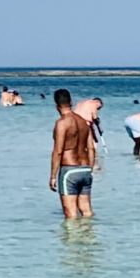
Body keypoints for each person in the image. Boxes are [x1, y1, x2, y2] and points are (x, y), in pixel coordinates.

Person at [50, 89, 97, 219]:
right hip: (85, 168)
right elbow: (91, 148)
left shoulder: (62, 123)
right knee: (87, 211)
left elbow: (58, 151)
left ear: (56, 105)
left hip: (69, 170)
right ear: (71, 102)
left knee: (70, 214)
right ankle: (90, 237)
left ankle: (72, 239)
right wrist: (90, 169)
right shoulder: (84, 122)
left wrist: (53, 176)